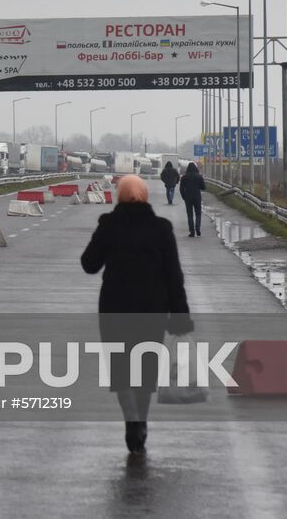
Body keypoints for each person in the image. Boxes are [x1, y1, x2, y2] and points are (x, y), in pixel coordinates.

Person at [80, 174, 192, 455]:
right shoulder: (161, 229)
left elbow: (89, 264)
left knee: (121, 369)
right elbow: (173, 276)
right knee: (145, 368)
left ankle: (131, 420)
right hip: (152, 308)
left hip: (115, 308)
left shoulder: (109, 225)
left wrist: (104, 238)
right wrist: (180, 315)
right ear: (144, 196)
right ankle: (140, 420)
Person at [179, 161, 206, 237]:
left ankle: (192, 231)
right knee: (198, 213)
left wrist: (184, 197)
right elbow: (204, 187)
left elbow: (181, 189)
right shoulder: (199, 176)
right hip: (197, 197)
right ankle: (198, 228)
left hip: (188, 197)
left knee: (190, 215)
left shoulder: (184, 177)